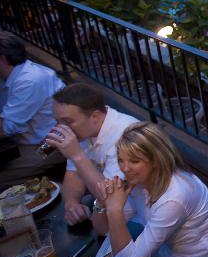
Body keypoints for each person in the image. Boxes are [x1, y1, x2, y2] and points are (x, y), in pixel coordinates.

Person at [93, 122, 208, 257]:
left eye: (134, 161)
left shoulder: (174, 197)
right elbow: (103, 230)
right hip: (165, 251)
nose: (124, 168)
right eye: (121, 159)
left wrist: (114, 209)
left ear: (156, 160)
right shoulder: (138, 180)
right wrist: (102, 203)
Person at [0, 31, 65, 196]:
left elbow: (3, 130)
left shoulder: (29, 80)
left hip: (51, 143)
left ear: (1, 58)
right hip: (21, 141)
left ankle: (31, 203)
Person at [43, 83, 139, 226]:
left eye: (67, 121)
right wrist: (72, 203)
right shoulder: (83, 130)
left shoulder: (126, 135)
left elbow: (111, 197)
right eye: (58, 122)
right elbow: (73, 176)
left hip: (137, 219)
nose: (61, 128)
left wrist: (77, 155)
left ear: (95, 116)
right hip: (105, 212)